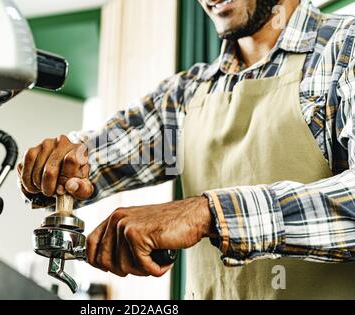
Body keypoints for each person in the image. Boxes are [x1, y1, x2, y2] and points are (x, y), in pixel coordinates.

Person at [18, 0, 355, 299]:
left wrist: (206, 214)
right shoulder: (187, 96)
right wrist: (63, 162)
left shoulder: (344, 49)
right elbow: (102, 156)